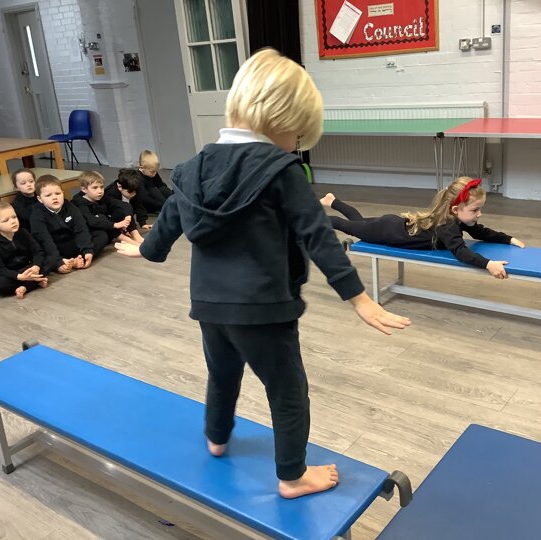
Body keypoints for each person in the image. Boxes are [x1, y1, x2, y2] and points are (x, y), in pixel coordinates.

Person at [116, 48, 410, 499]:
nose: (296, 145)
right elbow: (318, 235)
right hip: (264, 309)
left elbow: (172, 216)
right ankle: (293, 476)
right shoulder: (281, 170)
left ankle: (216, 438)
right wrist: (360, 298)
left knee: (222, 375)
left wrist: (146, 249)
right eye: (297, 133)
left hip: (209, 306)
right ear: (278, 119)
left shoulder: (193, 168)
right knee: (287, 393)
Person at [322, 177, 526, 279]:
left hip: (392, 224)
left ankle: (333, 201)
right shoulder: (448, 226)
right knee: (347, 225)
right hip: (387, 232)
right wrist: (488, 264)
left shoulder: (455, 218)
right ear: (456, 209)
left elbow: (481, 232)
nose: (479, 214)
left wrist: (507, 239)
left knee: (359, 222)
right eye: (475, 210)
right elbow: (461, 252)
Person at [0, 201, 51, 298]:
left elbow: (37, 251)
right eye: (6, 220)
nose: (13, 221)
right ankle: (32, 283)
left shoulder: (23, 232)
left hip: (27, 268)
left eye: (14, 217)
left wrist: (36, 266)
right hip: (11, 274)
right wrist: (19, 276)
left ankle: (25, 286)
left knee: (49, 262)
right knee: (0, 283)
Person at [30, 175, 94, 273]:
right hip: (54, 247)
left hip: (71, 242)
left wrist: (87, 250)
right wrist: (58, 262)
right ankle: (65, 263)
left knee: (100, 235)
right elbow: (45, 240)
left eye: (58, 193)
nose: (54, 197)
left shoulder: (70, 207)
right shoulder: (37, 215)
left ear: (63, 193)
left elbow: (81, 229)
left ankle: (78, 259)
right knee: (44, 255)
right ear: (40, 199)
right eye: (48, 195)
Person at [71, 171, 143, 255]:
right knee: (102, 220)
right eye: (95, 188)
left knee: (120, 211)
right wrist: (115, 225)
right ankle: (130, 241)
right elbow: (91, 221)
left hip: (107, 229)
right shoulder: (79, 204)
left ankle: (135, 237)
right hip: (91, 233)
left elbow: (123, 205)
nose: (100, 191)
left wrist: (128, 217)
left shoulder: (102, 197)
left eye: (101, 187)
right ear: (84, 189)